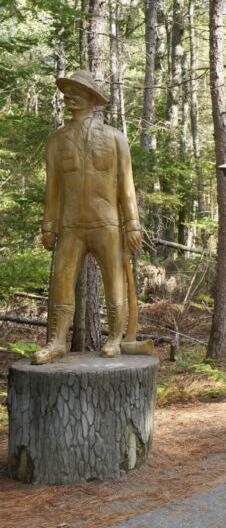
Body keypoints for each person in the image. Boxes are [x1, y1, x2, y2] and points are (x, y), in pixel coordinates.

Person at [33, 70, 143, 364]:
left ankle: (115, 339)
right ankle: (57, 340)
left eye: (77, 91)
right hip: (70, 224)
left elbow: (126, 183)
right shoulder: (57, 141)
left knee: (114, 279)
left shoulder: (115, 138)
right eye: (67, 91)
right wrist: (49, 223)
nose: (70, 96)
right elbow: (52, 187)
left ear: (92, 99)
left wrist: (132, 223)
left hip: (106, 222)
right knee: (62, 281)